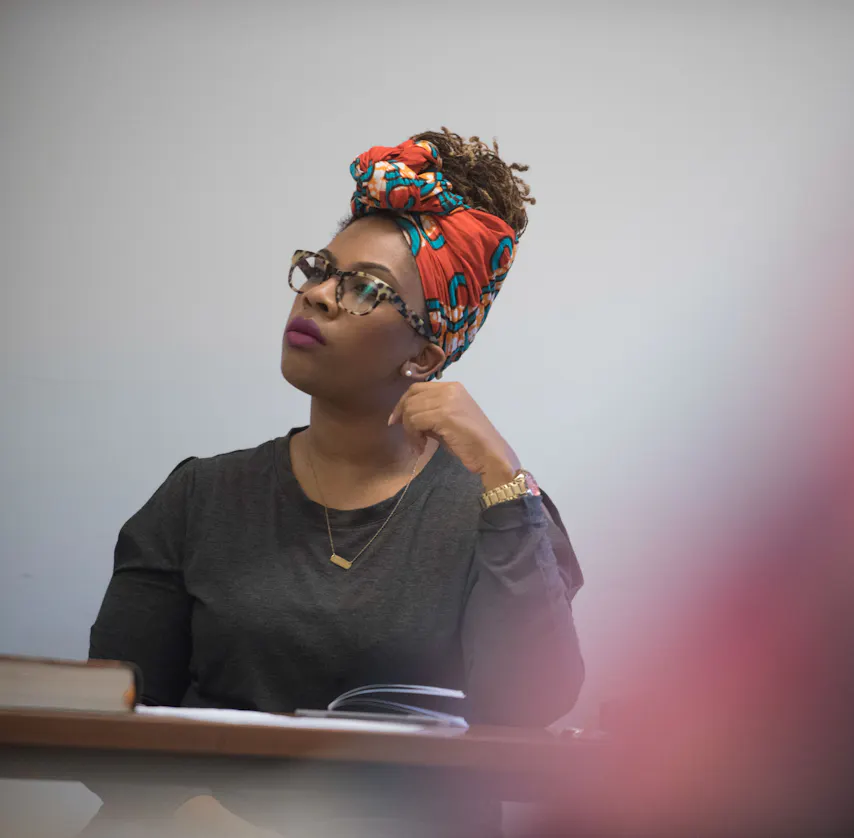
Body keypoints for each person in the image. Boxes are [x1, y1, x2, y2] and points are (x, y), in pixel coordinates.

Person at [85, 129, 584, 837]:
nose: (317, 296)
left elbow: (532, 704)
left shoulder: (498, 511)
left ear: (427, 353)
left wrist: (502, 472)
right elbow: (110, 725)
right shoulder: (200, 497)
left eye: (363, 289)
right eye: (322, 269)